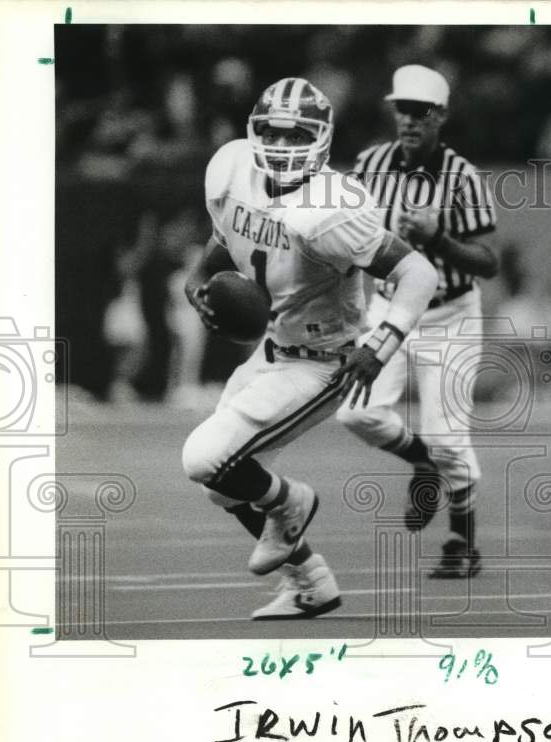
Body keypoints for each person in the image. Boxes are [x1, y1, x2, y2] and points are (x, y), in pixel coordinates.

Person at [181, 77, 438, 619]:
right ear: (252, 134)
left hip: (323, 364)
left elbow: (417, 272)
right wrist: (199, 279)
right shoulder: (231, 169)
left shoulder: (331, 208)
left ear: (321, 139)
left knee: (205, 458)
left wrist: (383, 344)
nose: (279, 147)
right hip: (272, 351)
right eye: (270, 134)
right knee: (223, 487)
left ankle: (292, 501)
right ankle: (310, 583)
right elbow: (223, 238)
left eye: (295, 134)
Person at [337, 65, 499, 578]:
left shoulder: (463, 177)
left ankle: (461, 542)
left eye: (421, 112)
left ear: (441, 117)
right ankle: (422, 463)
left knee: (450, 436)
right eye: (402, 110)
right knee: (356, 412)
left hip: (451, 313)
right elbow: (344, 233)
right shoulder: (370, 163)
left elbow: (489, 263)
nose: (409, 120)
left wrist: (438, 240)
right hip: (390, 306)